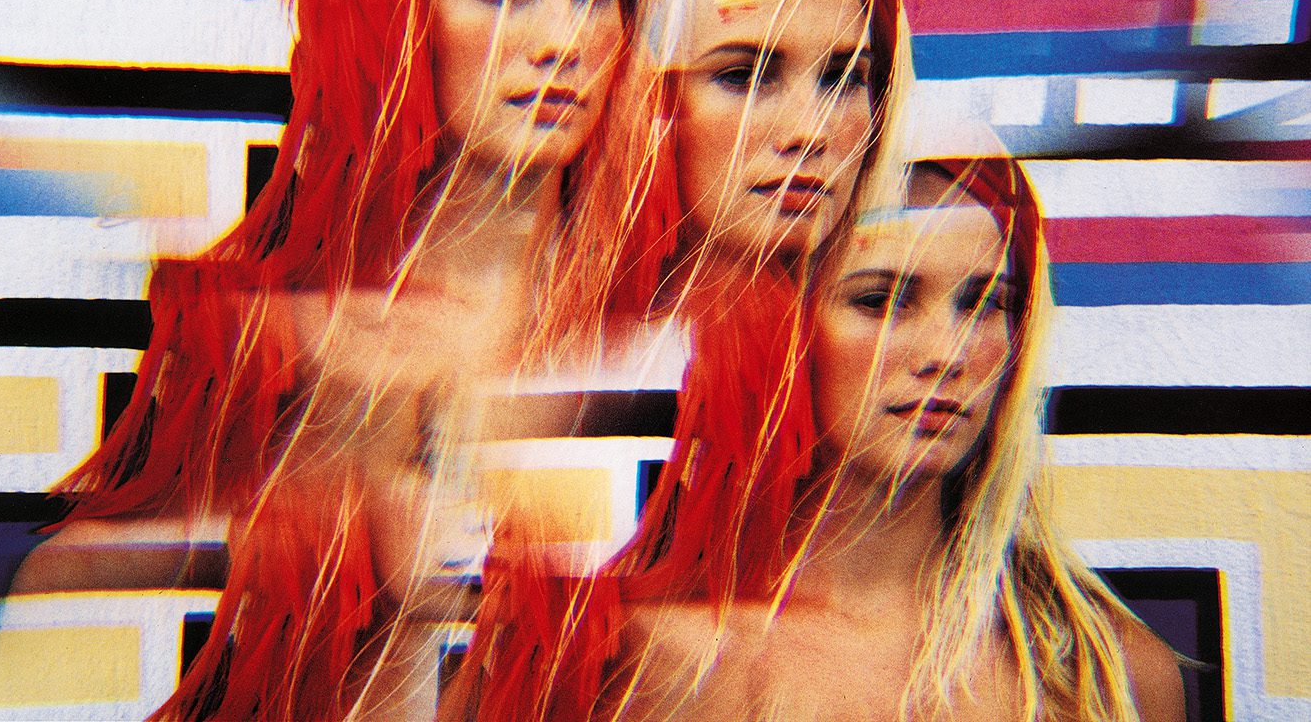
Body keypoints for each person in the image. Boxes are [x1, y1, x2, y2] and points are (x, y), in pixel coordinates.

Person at [13, 0, 679, 706]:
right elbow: (57, 588)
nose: (563, 39)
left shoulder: (670, 328)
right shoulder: (274, 337)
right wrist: (321, 546)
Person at [445, 0, 921, 720]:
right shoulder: (601, 366)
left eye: (844, 78)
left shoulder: (903, 343)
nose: (809, 130)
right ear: (651, 95)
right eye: (743, 75)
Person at [457, 158, 1185, 722]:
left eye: (982, 303)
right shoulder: (611, 653)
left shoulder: (1105, 673)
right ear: (772, 330)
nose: (948, 353)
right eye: (879, 299)